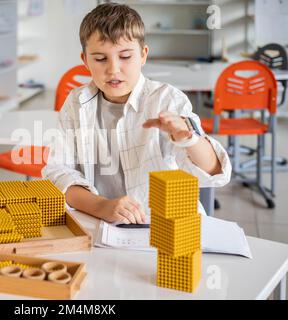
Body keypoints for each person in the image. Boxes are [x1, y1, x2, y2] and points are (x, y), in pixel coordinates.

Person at [42, 3, 231, 224]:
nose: (113, 69)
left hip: (164, 225)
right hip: (101, 222)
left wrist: (188, 138)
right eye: (100, 59)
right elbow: (57, 172)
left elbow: (216, 172)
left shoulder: (168, 99)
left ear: (143, 55)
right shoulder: (76, 102)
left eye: (125, 57)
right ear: (85, 60)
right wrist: (102, 206)